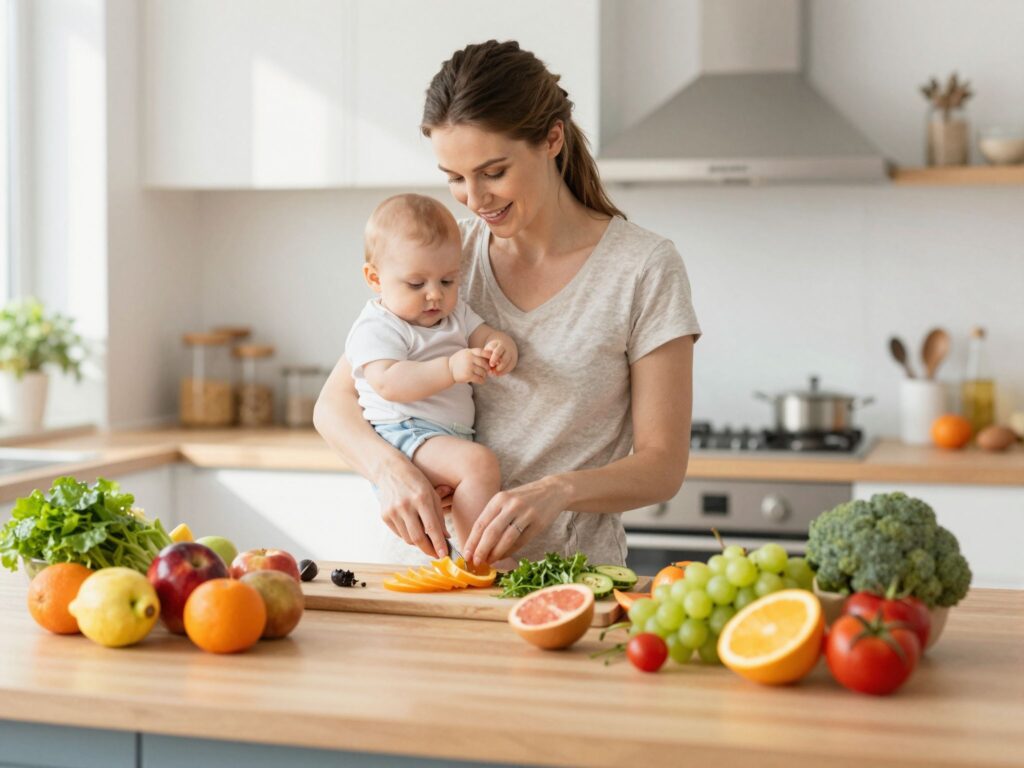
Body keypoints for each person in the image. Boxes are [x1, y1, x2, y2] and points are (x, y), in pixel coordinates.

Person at [315, 39, 701, 568]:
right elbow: (334, 404)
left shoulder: (642, 268)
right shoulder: (446, 257)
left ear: (552, 139)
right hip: (423, 574)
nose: (475, 199)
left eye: (493, 172)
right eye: (455, 178)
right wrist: (390, 471)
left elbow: (662, 467)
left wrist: (557, 491)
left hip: (562, 581)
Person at [345, 193, 518, 558]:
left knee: (473, 470)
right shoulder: (377, 326)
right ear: (374, 278)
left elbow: (484, 334)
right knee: (479, 464)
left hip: (440, 435)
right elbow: (389, 382)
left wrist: (501, 346)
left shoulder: (455, 316)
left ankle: (463, 554)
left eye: (448, 281)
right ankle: (475, 561)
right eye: (416, 284)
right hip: (404, 432)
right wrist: (450, 368)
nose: (435, 295)